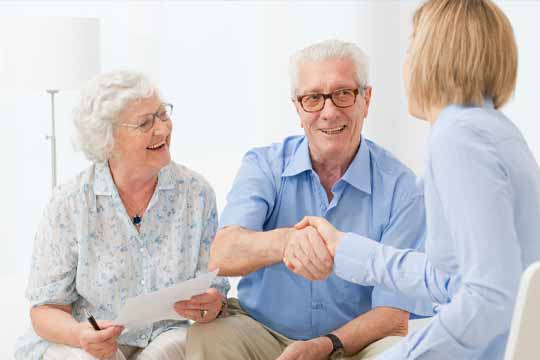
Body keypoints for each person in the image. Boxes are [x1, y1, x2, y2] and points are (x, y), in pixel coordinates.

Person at [297, 1, 540, 359]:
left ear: (435, 55)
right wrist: (343, 247)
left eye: (411, 45)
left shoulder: (458, 138)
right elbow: (447, 278)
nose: (405, 61)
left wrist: (401, 356)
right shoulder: (494, 130)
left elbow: (489, 295)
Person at [186, 39, 433, 360]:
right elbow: (222, 254)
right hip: (263, 331)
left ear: (366, 99)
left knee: (404, 352)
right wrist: (287, 242)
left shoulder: (402, 187)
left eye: (343, 93)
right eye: (313, 98)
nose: (329, 112)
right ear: (298, 108)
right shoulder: (264, 166)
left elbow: (393, 314)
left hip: (352, 343)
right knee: (210, 335)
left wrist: (326, 344)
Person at [14, 71, 229, 360]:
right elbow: (45, 309)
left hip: (164, 336)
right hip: (87, 340)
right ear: (108, 139)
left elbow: (214, 287)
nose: (163, 129)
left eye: (162, 114)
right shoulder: (71, 202)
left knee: (172, 350)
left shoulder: (196, 193)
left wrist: (212, 304)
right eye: (145, 123)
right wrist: (82, 335)